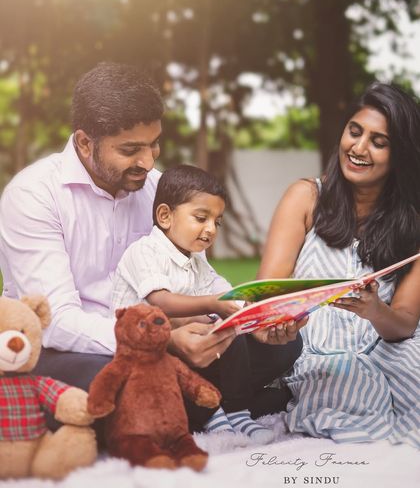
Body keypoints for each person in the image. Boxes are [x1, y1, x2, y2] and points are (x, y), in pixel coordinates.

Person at [0, 62, 304, 436]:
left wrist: (245, 320)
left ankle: (188, 407)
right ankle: (215, 403)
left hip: (165, 332)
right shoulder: (33, 195)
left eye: (154, 143)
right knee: (109, 381)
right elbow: (58, 323)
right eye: (130, 149)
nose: (148, 161)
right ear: (84, 143)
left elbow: (194, 280)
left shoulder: (159, 191)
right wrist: (163, 342)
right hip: (77, 350)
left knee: (281, 348)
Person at [258, 82, 420, 448]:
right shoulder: (306, 196)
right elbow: (265, 295)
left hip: (386, 347)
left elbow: (404, 324)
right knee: (347, 382)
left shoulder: (413, 224)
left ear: (400, 155)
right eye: (355, 131)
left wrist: (375, 309)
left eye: (379, 142)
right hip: (313, 349)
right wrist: (277, 325)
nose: (359, 148)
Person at [111, 164, 287, 443]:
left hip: (192, 350)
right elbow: (162, 301)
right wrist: (214, 305)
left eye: (217, 222)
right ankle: (212, 412)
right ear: (166, 216)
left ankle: (237, 411)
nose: (210, 229)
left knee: (239, 333)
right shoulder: (143, 251)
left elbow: (224, 292)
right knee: (186, 353)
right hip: (147, 354)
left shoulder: (196, 259)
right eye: (201, 218)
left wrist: (257, 311)